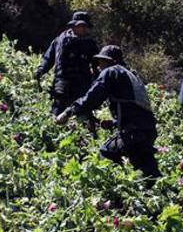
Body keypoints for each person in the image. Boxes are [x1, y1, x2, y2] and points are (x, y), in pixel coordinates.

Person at [56, 45, 160, 179]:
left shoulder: (111, 71)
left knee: (106, 154)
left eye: (101, 62)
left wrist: (68, 112)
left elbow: (92, 98)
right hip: (147, 129)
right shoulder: (130, 75)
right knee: (149, 173)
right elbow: (135, 108)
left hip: (134, 132)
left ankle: (115, 191)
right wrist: (113, 123)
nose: (99, 66)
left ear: (110, 61)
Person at [35, 11, 99, 131]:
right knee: (58, 110)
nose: (85, 30)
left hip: (82, 83)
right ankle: (53, 134)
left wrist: (98, 81)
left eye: (86, 27)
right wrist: (40, 70)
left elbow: (97, 65)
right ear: (75, 26)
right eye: (83, 26)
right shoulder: (59, 40)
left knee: (83, 112)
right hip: (62, 82)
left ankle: (89, 139)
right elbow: (48, 58)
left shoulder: (90, 44)